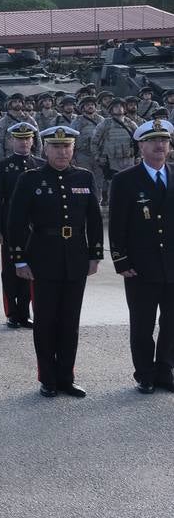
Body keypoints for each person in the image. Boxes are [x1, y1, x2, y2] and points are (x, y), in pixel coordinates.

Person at [7, 125, 103, 397]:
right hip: (42, 258)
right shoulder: (30, 179)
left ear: (73, 149)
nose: (62, 152)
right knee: (46, 321)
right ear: (45, 149)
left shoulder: (84, 177)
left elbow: (94, 221)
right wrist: (19, 260)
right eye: (56, 147)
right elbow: (16, 222)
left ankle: (66, 377)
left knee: (70, 322)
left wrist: (95, 254)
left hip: (75, 257)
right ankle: (47, 378)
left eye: (67, 147)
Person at [108, 118, 174, 393]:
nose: (160, 145)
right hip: (140, 266)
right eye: (153, 141)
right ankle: (144, 373)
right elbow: (117, 224)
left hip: (172, 264)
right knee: (142, 323)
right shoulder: (125, 180)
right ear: (141, 146)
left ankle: (165, 370)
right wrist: (121, 260)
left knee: (171, 322)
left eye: (164, 140)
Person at [0, 123, 43, 329]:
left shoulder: (40, 164)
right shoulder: (2, 166)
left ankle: (26, 310)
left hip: (36, 226)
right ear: (11, 141)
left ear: (32, 141)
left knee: (34, 269)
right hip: (12, 225)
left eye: (27, 139)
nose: (23, 142)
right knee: (11, 271)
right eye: (19, 139)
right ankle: (13, 312)